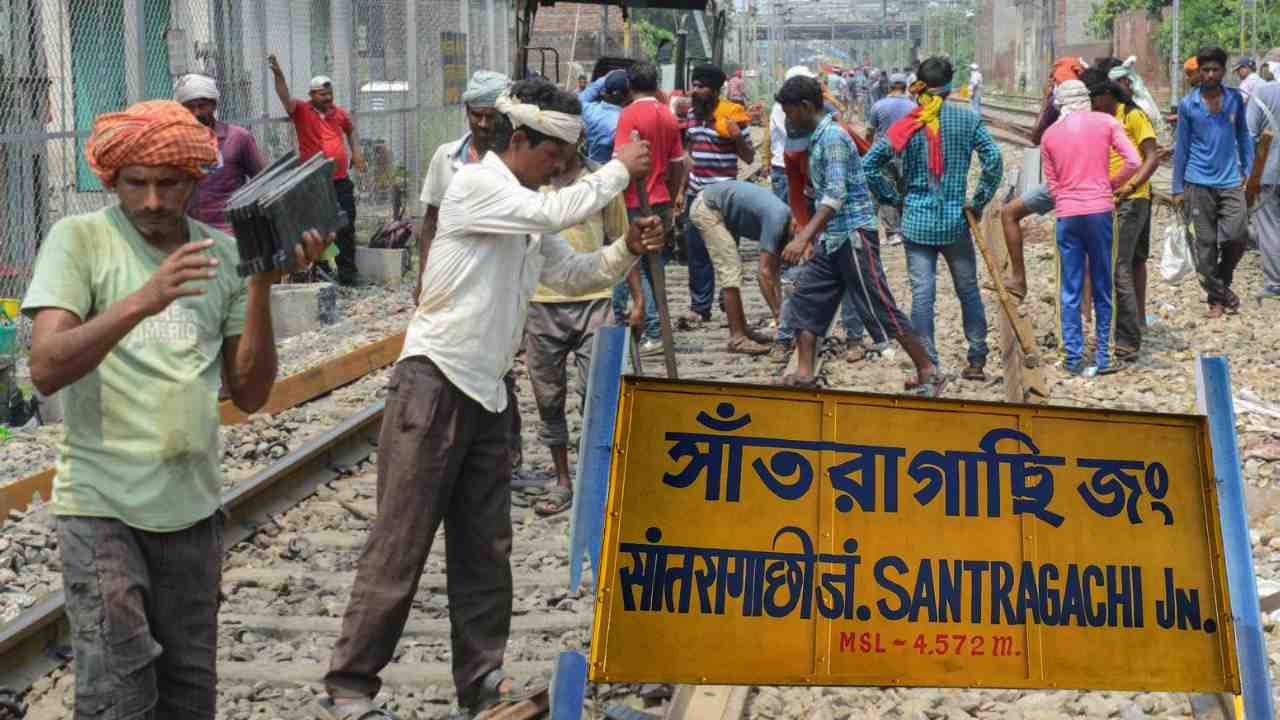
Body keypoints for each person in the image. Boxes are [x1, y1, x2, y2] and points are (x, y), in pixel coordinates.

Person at [319, 78, 662, 720]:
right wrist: (620, 168)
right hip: (434, 382)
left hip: (488, 392)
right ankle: (350, 685)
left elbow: (571, 273)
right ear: (521, 139)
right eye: (554, 153)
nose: (559, 166)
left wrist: (624, 251)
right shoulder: (479, 185)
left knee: (484, 548)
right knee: (401, 540)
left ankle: (481, 682)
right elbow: (556, 213)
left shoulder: (525, 209)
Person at [22, 100, 327, 718]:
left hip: (192, 509)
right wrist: (144, 299)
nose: (153, 200)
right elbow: (47, 367)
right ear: (113, 180)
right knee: (118, 688)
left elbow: (250, 393)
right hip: (101, 506)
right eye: (137, 183)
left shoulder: (223, 256)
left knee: (189, 689)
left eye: (169, 183)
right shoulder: (79, 240)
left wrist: (262, 283)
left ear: (195, 180)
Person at [773, 75, 944, 395]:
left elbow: (835, 196)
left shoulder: (833, 138)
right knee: (807, 299)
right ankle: (805, 373)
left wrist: (803, 237)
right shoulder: (817, 138)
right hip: (833, 238)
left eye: (789, 111)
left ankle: (928, 369)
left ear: (806, 106)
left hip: (853, 236)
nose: (788, 119)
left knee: (880, 305)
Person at [863, 58, 1003, 382]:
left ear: (920, 86)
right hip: (956, 222)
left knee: (922, 294)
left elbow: (869, 164)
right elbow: (994, 160)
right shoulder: (968, 118)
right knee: (967, 289)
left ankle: (929, 364)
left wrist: (891, 198)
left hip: (916, 222)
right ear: (951, 85)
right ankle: (977, 359)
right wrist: (978, 202)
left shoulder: (907, 124)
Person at [416, 71, 526, 474]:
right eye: (475, 115)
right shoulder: (446, 159)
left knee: (498, 364)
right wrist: (424, 277)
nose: (482, 123)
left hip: (498, 281)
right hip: (453, 280)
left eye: (490, 116)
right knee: (450, 361)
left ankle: (505, 445)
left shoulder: (516, 162)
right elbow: (430, 222)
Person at [525, 152, 628, 517]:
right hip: (541, 302)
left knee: (597, 392)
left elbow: (622, 239)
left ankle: (595, 475)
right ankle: (562, 479)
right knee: (548, 397)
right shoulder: (531, 180)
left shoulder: (601, 181)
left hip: (594, 300)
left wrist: (636, 296)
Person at [1040, 80, 1140, 375]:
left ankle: (1072, 358)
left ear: (1059, 104)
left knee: (1069, 287)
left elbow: (1053, 185)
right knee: (1103, 285)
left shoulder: (1049, 135)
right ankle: (1105, 357)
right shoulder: (1106, 123)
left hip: (1067, 215)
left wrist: (1067, 198)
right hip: (1101, 212)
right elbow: (1134, 161)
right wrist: (1110, 184)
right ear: (1087, 99)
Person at [1172, 47, 1254, 318]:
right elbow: (1182, 147)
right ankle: (1219, 298)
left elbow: (1243, 135)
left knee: (1237, 236)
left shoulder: (1234, 99)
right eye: (1205, 70)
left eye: (1215, 70)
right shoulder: (1188, 105)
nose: (1209, 75)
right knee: (1204, 246)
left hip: (1230, 180)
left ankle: (1221, 284)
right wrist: (1177, 187)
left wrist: (1249, 168)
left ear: (1223, 71)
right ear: (1199, 72)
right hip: (1197, 181)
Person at [269, 55, 365, 286]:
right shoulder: (302, 110)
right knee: (318, 228)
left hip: (340, 180)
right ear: (312, 95)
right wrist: (278, 75)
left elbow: (351, 130)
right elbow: (284, 96)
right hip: (314, 182)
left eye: (330, 94)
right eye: (323, 94)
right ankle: (321, 272)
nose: (328, 98)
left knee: (346, 226)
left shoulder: (338, 113)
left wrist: (356, 152)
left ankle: (348, 274)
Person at [612, 61, 687, 356]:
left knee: (634, 263)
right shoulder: (667, 115)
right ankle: (656, 329)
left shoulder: (628, 115)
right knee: (656, 264)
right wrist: (673, 194)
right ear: (656, 84)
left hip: (634, 200)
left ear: (629, 86)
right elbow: (678, 163)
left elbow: (621, 162)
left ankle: (650, 329)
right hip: (661, 199)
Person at [1085, 74, 1162, 360]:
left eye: (1094, 99)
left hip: (1132, 199)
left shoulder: (1132, 115)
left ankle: (1128, 339)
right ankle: (1123, 329)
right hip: (1115, 198)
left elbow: (1152, 157)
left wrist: (1129, 186)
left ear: (1108, 94)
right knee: (1124, 263)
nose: (1092, 104)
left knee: (1119, 265)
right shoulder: (1102, 119)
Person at [999, 57, 1086, 297]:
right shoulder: (1092, 104)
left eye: (1053, 79)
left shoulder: (1058, 103)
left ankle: (1019, 279)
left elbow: (1036, 136)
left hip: (1062, 184)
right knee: (1086, 253)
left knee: (1009, 213)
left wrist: (1044, 101)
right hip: (1093, 185)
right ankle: (1086, 308)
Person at [682, 63, 754, 328]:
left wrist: (737, 138)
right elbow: (688, 154)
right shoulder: (691, 115)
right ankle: (700, 307)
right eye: (694, 85)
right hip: (695, 193)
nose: (694, 91)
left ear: (714, 90)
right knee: (697, 253)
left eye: (700, 87)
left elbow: (749, 157)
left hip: (724, 197)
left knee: (727, 253)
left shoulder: (731, 115)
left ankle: (729, 302)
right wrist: (681, 190)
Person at [688, 180, 792, 354]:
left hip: (716, 205)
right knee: (731, 269)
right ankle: (737, 338)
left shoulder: (785, 223)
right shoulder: (777, 220)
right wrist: (778, 313)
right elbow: (763, 274)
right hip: (707, 208)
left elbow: (774, 271)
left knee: (734, 268)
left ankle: (743, 329)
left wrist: (781, 310)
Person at [175, 73, 264, 234]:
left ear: (214, 105)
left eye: (202, 106)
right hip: (191, 231)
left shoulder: (237, 138)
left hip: (230, 232)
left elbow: (262, 179)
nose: (196, 113)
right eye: (189, 107)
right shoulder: (176, 143)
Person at [864, 72, 915, 247]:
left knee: (885, 189)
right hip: (907, 153)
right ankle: (907, 228)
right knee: (905, 189)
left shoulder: (878, 106)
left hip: (883, 155)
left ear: (889, 87)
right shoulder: (913, 106)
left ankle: (893, 233)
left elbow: (869, 132)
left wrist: (869, 151)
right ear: (905, 87)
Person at [1249, 69, 1280, 301]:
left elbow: (1249, 132)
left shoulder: (1263, 92)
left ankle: (1275, 283)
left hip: (1268, 170)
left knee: (1269, 226)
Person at [579, 69, 631, 165]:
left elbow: (580, 98)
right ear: (627, 95)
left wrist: (605, 78)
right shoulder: (623, 122)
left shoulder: (588, 109)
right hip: (608, 169)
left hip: (585, 166)